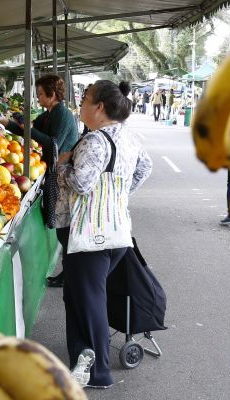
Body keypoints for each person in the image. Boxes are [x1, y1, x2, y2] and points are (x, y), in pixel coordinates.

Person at [56, 80, 152, 389]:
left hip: (89, 235)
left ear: (99, 107)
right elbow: (144, 168)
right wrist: (119, 195)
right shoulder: (128, 137)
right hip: (117, 232)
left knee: (89, 301)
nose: (80, 105)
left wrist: (63, 164)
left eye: (84, 99)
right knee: (82, 297)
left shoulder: (95, 141)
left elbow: (82, 183)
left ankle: (97, 373)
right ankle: (82, 359)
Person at [24, 75, 79, 289]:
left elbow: (52, 142)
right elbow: (31, 129)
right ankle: (69, 271)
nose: (38, 99)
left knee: (65, 226)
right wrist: (10, 124)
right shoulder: (49, 114)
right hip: (55, 172)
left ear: (52, 95)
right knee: (61, 225)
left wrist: (26, 128)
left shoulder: (63, 115)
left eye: (40, 94)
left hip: (64, 176)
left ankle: (70, 273)